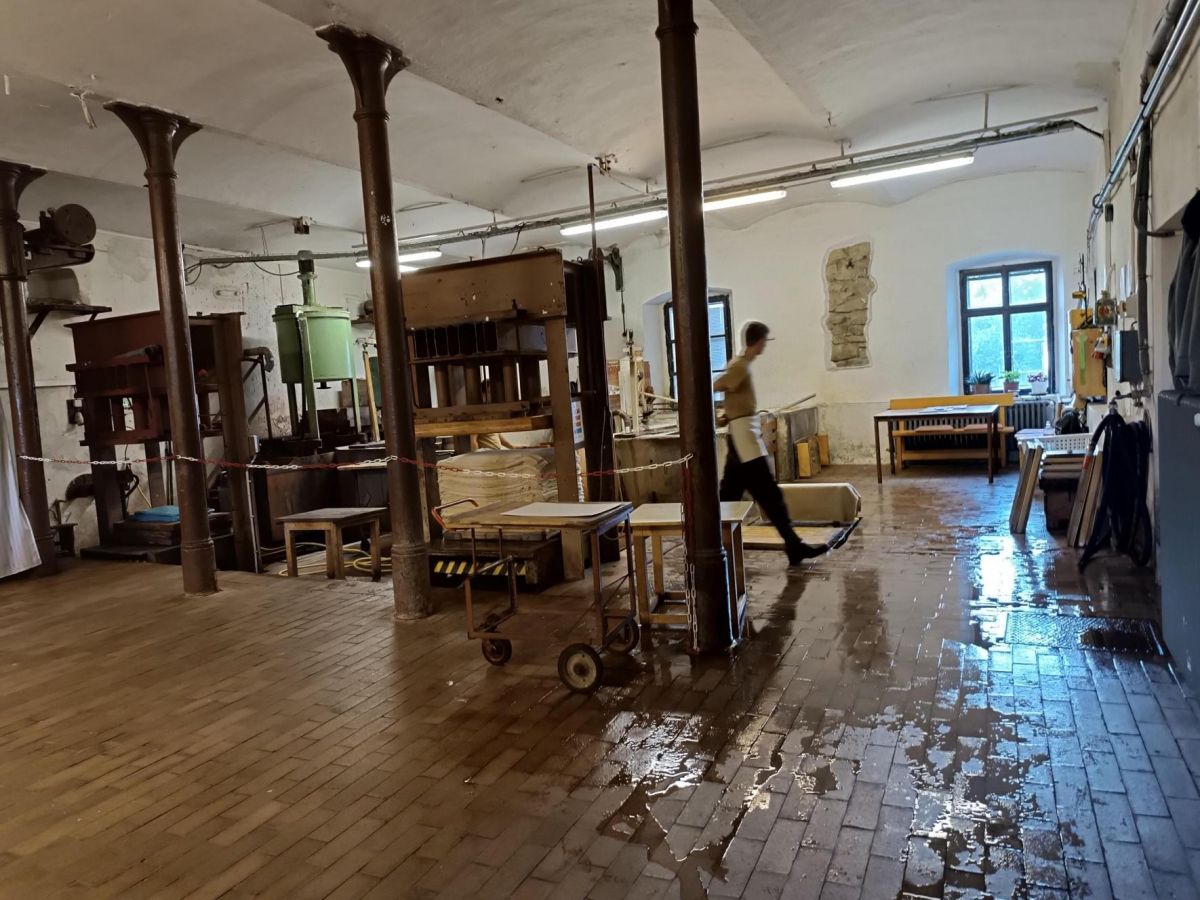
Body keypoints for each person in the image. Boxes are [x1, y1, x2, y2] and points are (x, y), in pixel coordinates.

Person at [714, 321, 827, 567]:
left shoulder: (740, 364)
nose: (765, 345)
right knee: (769, 496)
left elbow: (732, 394)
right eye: (765, 340)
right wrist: (728, 409)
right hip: (744, 441)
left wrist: (728, 413)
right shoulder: (740, 365)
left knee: (729, 495)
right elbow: (722, 383)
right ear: (758, 341)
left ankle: (711, 541)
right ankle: (794, 547)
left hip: (742, 438)